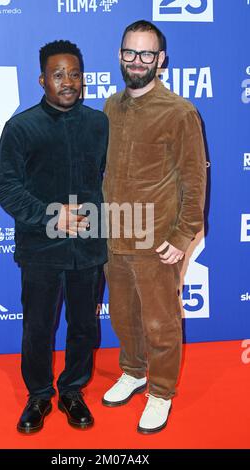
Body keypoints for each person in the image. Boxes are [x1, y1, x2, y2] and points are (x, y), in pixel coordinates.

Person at [0, 40, 108, 433]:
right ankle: (39, 395)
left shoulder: (99, 124)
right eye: (58, 74)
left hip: (89, 250)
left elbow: (115, 180)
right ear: (42, 79)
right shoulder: (21, 127)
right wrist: (50, 216)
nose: (68, 82)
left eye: (75, 74)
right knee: (38, 327)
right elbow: (6, 187)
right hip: (40, 249)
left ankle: (73, 392)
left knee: (83, 326)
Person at [102, 20, 207, 434]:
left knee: (160, 323)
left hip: (158, 240)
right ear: (120, 54)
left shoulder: (180, 111)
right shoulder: (110, 106)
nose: (138, 61)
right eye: (131, 52)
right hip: (114, 236)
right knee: (123, 318)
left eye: (147, 54)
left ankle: (161, 391)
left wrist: (182, 236)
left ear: (161, 60)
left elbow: (194, 178)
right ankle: (133, 371)